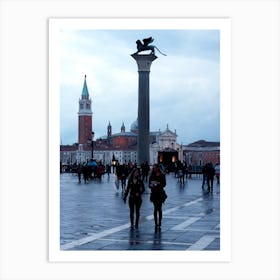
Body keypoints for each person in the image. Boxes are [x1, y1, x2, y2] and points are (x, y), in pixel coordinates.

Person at [149, 164, 167, 231]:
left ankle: (159, 222)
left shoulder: (162, 175)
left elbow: (164, 184)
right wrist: (152, 185)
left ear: (158, 168)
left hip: (160, 193)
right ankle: (156, 222)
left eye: (155, 168)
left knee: (159, 208)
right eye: (153, 168)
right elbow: (149, 185)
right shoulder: (151, 176)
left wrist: (159, 183)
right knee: (155, 208)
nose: (154, 169)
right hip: (154, 193)